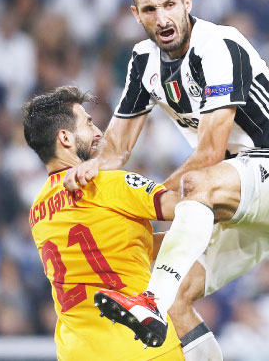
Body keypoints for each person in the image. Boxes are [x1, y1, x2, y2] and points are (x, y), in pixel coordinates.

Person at [63, 0, 269, 359]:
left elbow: (209, 154)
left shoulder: (218, 45)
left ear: (188, 3)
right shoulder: (143, 59)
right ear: (136, 15)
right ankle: (159, 301)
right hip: (242, 193)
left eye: (170, 5)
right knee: (167, 286)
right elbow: (116, 147)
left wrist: (149, 204)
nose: (163, 18)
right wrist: (86, 172)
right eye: (150, 9)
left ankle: (149, 301)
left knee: (196, 185)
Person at [22, 86, 206, 360]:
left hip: (77, 352)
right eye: (88, 123)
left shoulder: (37, 211)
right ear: (65, 137)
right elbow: (191, 209)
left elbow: (114, 250)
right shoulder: (107, 183)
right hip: (141, 348)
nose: (98, 133)